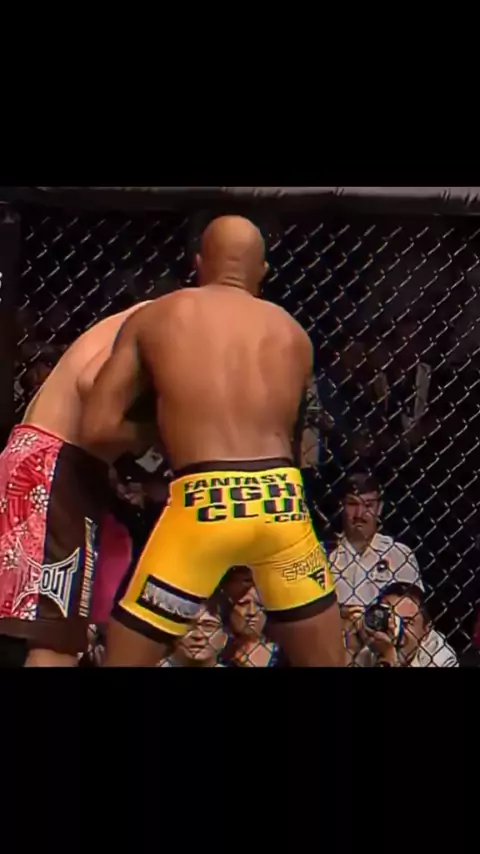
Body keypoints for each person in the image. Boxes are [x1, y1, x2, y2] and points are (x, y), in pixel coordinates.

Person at [80, 215, 345, 667]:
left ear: (199, 263)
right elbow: (294, 440)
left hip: (204, 505)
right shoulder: (293, 334)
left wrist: (161, 432)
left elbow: (97, 428)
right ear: (262, 271)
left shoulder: (158, 316)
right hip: (280, 505)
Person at [0, 300, 154, 667]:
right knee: (54, 639)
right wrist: (154, 431)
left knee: (32, 628)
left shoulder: (151, 316)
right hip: (53, 465)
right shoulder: (162, 317)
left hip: (47, 463)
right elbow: (91, 382)